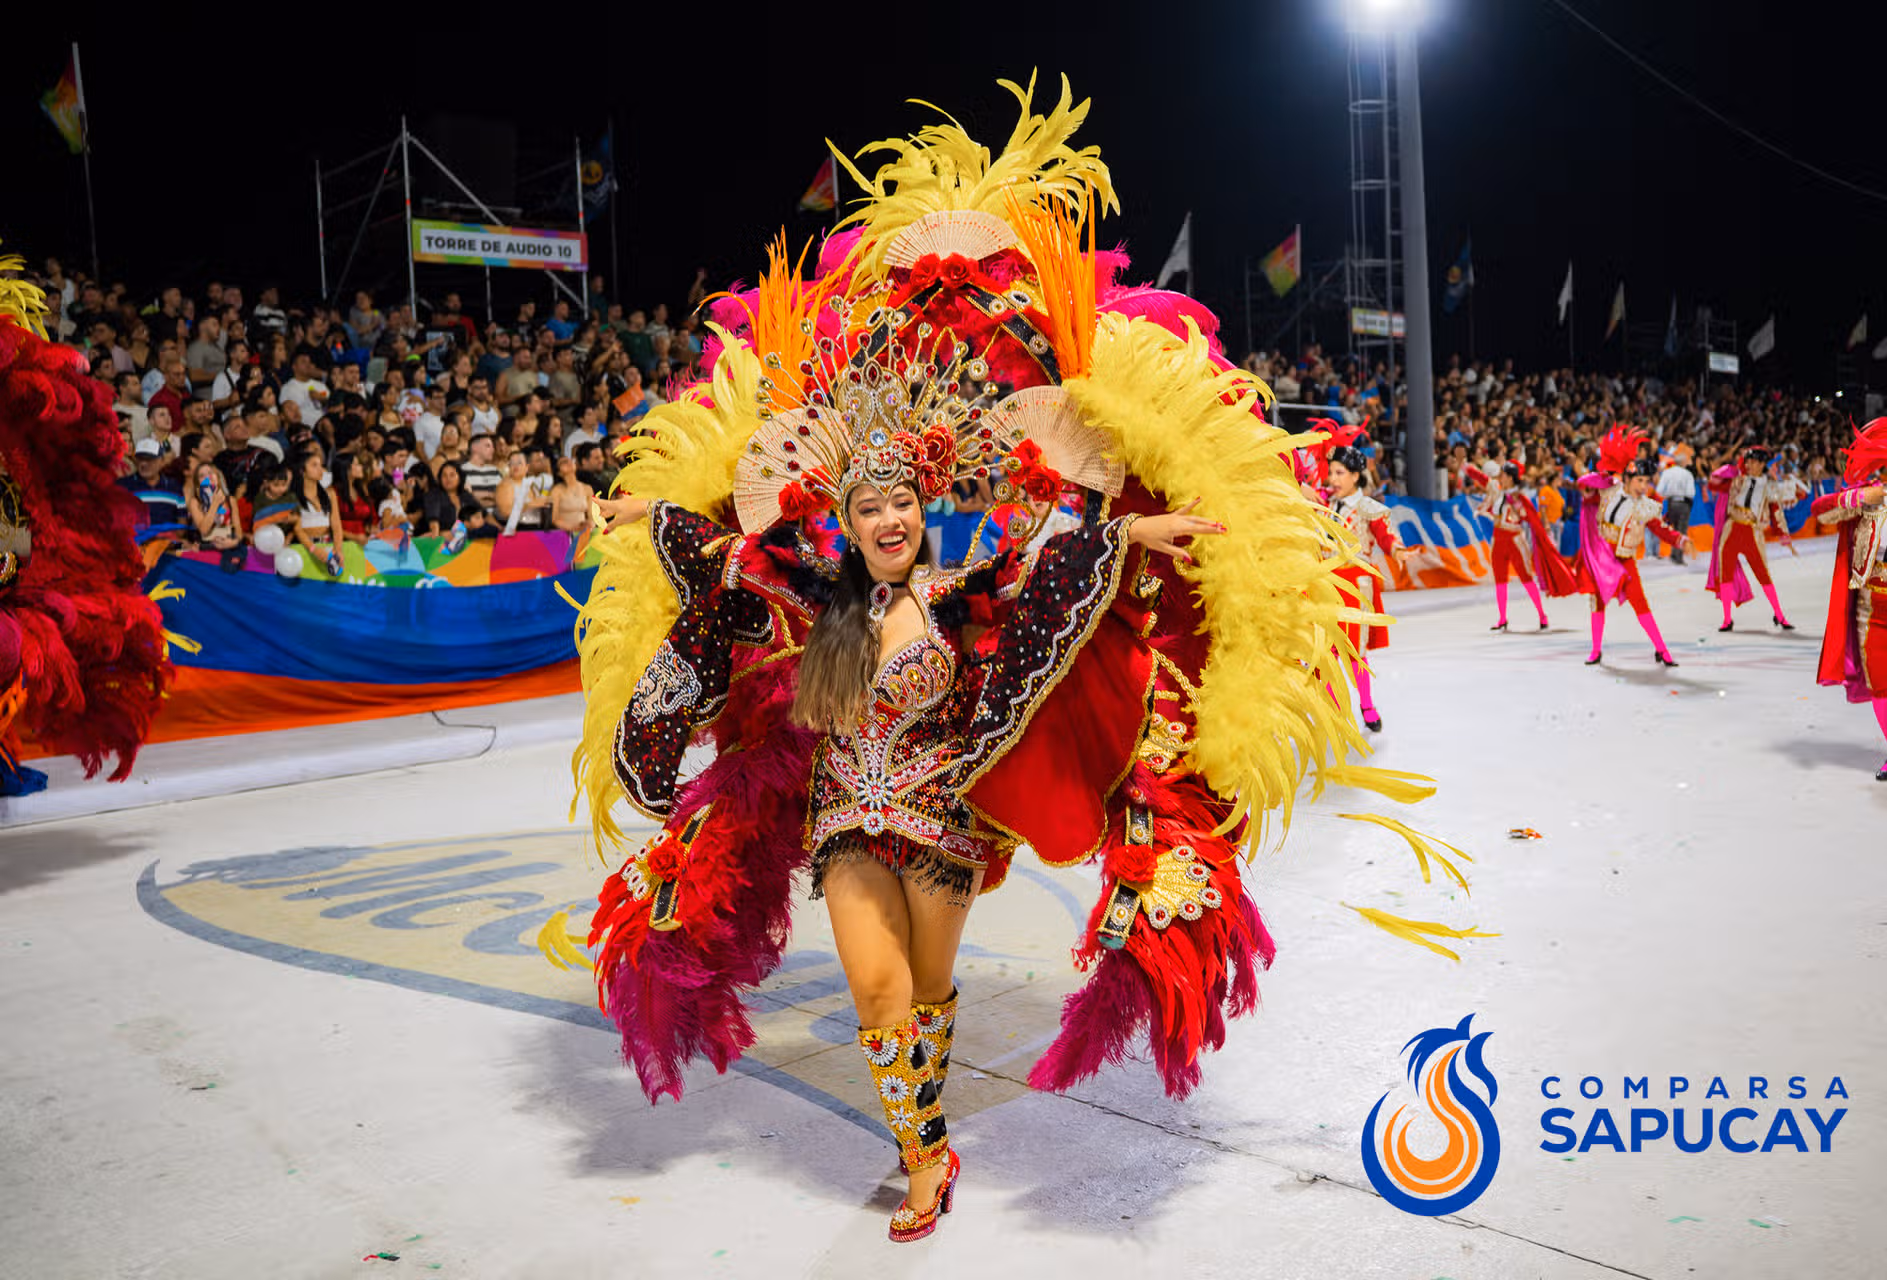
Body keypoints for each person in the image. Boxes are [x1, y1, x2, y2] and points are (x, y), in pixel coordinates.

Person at [537, 84, 1481, 1249]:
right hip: (846, 822)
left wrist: (1133, 529)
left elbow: (1055, 567)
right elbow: (712, 556)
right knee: (878, 994)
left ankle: (922, 1115)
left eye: (900, 501)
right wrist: (656, 512)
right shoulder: (816, 601)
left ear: (920, 509)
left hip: (943, 826)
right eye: (866, 503)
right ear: (846, 516)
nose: (886, 518)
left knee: (928, 997)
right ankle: (926, 1157)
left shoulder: (961, 593)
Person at [1811, 418, 1887, 781]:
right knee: (1881, 684)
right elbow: (1821, 512)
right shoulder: (1877, 497)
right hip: (1872, 608)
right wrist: (1856, 496)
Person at [1573, 427, 1685, 667]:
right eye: (1639, 480)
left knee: (1639, 602)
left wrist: (1681, 540)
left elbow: (1661, 529)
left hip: (1624, 559)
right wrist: (1607, 474)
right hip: (1602, 557)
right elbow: (1582, 483)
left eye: (1646, 481)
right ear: (1627, 478)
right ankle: (1595, 650)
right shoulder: (1607, 490)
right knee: (1597, 603)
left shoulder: (1646, 505)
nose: (1643, 486)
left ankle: (1662, 649)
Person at [1323, 441, 1410, 730]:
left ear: (1355, 477)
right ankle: (1334, 712)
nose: (1332, 479)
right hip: (1327, 584)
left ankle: (1366, 704)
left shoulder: (1367, 506)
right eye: (1331, 472)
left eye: (1339, 473)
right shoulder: (1325, 507)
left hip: (1356, 584)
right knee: (1326, 651)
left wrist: (1397, 550)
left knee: (1354, 651)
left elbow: (1386, 534)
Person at [1470, 460, 1577, 631]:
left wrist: (1518, 505)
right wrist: (1465, 466)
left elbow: (1528, 517)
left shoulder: (1519, 497)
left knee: (1526, 578)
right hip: (1498, 539)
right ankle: (1502, 617)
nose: (1500, 477)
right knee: (1500, 579)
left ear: (1511, 478)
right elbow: (1482, 478)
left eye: (1503, 475)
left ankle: (1542, 615)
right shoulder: (1497, 491)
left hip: (1515, 540)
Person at [1706, 445, 1794, 632]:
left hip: (1752, 532)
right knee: (1726, 573)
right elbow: (1712, 484)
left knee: (1763, 574)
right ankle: (1727, 618)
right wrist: (1724, 469)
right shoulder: (1736, 479)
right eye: (1747, 461)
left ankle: (1779, 614)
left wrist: (1783, 535)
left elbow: (1775, 511)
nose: (1749, 464)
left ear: (1762, 464)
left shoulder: (1769, 486)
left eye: (1753, 461)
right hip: (1732, 529)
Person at [289, 449, 345, 575]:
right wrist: (313, 549)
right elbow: (297, 528)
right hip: (304, 547)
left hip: (327, 545)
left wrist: (338, 549)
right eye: (314, 465)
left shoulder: (329, 493)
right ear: (302, 471)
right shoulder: (293, 497)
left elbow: (336, 524)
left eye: (321, 465)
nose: (320, 469)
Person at [116, 439, 187, 528]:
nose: (144, 464)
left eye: (150, 459)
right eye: (140, 459)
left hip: (168, 540)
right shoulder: (122, 486)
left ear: (162, 461)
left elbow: (181, 524)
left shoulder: (174, 487)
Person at [1655, 451, 1697, 564]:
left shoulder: (1667, 472)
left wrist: (1668, 495)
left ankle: (1674, 554)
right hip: (1684, 503)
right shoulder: (1687, 474)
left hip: (1671, 503)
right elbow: (1691, 493)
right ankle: (1677, 556)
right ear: (1683, 462)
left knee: (1672, 529)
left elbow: (1659, 490)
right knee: (1682, 529)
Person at [548, 453, 594, 537]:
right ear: (559, 473)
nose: (569, 462)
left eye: (569, 460)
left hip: (584, 533)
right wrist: (573, 528)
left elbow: (591, 516)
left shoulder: (587, 488)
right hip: (564, 535)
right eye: (564, 462)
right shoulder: (556, 490)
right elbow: (554, 519)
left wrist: (590, 524)